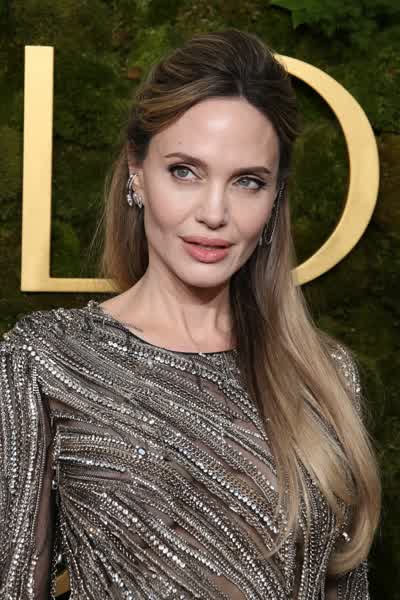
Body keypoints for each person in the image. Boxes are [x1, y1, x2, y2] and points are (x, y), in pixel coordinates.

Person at [0, 28, 381, 599]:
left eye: (247, 182)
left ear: (275, 198)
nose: (214, 212)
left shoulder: (323, 375)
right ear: (137, 172)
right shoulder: (45, 361)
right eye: (185, 171)